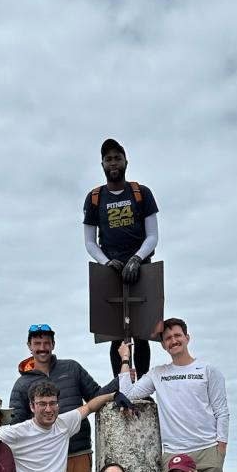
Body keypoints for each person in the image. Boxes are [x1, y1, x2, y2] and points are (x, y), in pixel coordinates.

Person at [9, 324, 116, 472]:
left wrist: (122, 379)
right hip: (46, 458)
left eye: (46, 343)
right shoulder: (22, 384)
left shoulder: (72, 368)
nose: (42, 348)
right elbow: (16, 426)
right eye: (37, 343)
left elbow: (96, 396)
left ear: (53, 345)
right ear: (29, 346)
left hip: (78, 450)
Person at [117, 319, 229, 472]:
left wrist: (220, 451)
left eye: (177, 335)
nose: (173, 340)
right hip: (173, 453)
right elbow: (128, 394)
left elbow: (221, 412)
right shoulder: (158, 373)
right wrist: (124, 358)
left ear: (187, 338)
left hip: (207, 450)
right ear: (163, 344)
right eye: (168, 338)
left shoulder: (208, 370)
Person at [83, 138, 160, 378]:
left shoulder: (141, 193)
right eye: (108, 159)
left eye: (117, 157)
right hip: (110, 269)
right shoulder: (95, 198)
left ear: (126, 161)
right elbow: (89, 241)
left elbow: (153, 236)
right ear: (102, 164)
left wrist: (137, 258)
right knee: (114, 333)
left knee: (143, 331)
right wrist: (106, 262)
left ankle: (144, 385)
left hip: (142, 267)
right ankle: (120, 384)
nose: (113, 163)